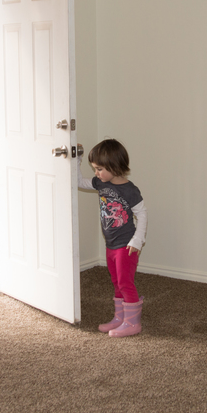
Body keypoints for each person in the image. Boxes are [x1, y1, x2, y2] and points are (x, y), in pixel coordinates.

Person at [78, 139, 147, 337]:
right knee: (116, 281)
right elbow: (78, 182)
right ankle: (120, 317)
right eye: (95, 169)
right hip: (111, 244)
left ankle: (133, 323)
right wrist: (77, 159)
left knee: (125, 282)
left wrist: (137, 240)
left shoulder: (130, 190)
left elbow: (142, 214)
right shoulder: (101, 183)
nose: (96, 173)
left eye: (99, 169)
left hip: (127, 246)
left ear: (114, 166)